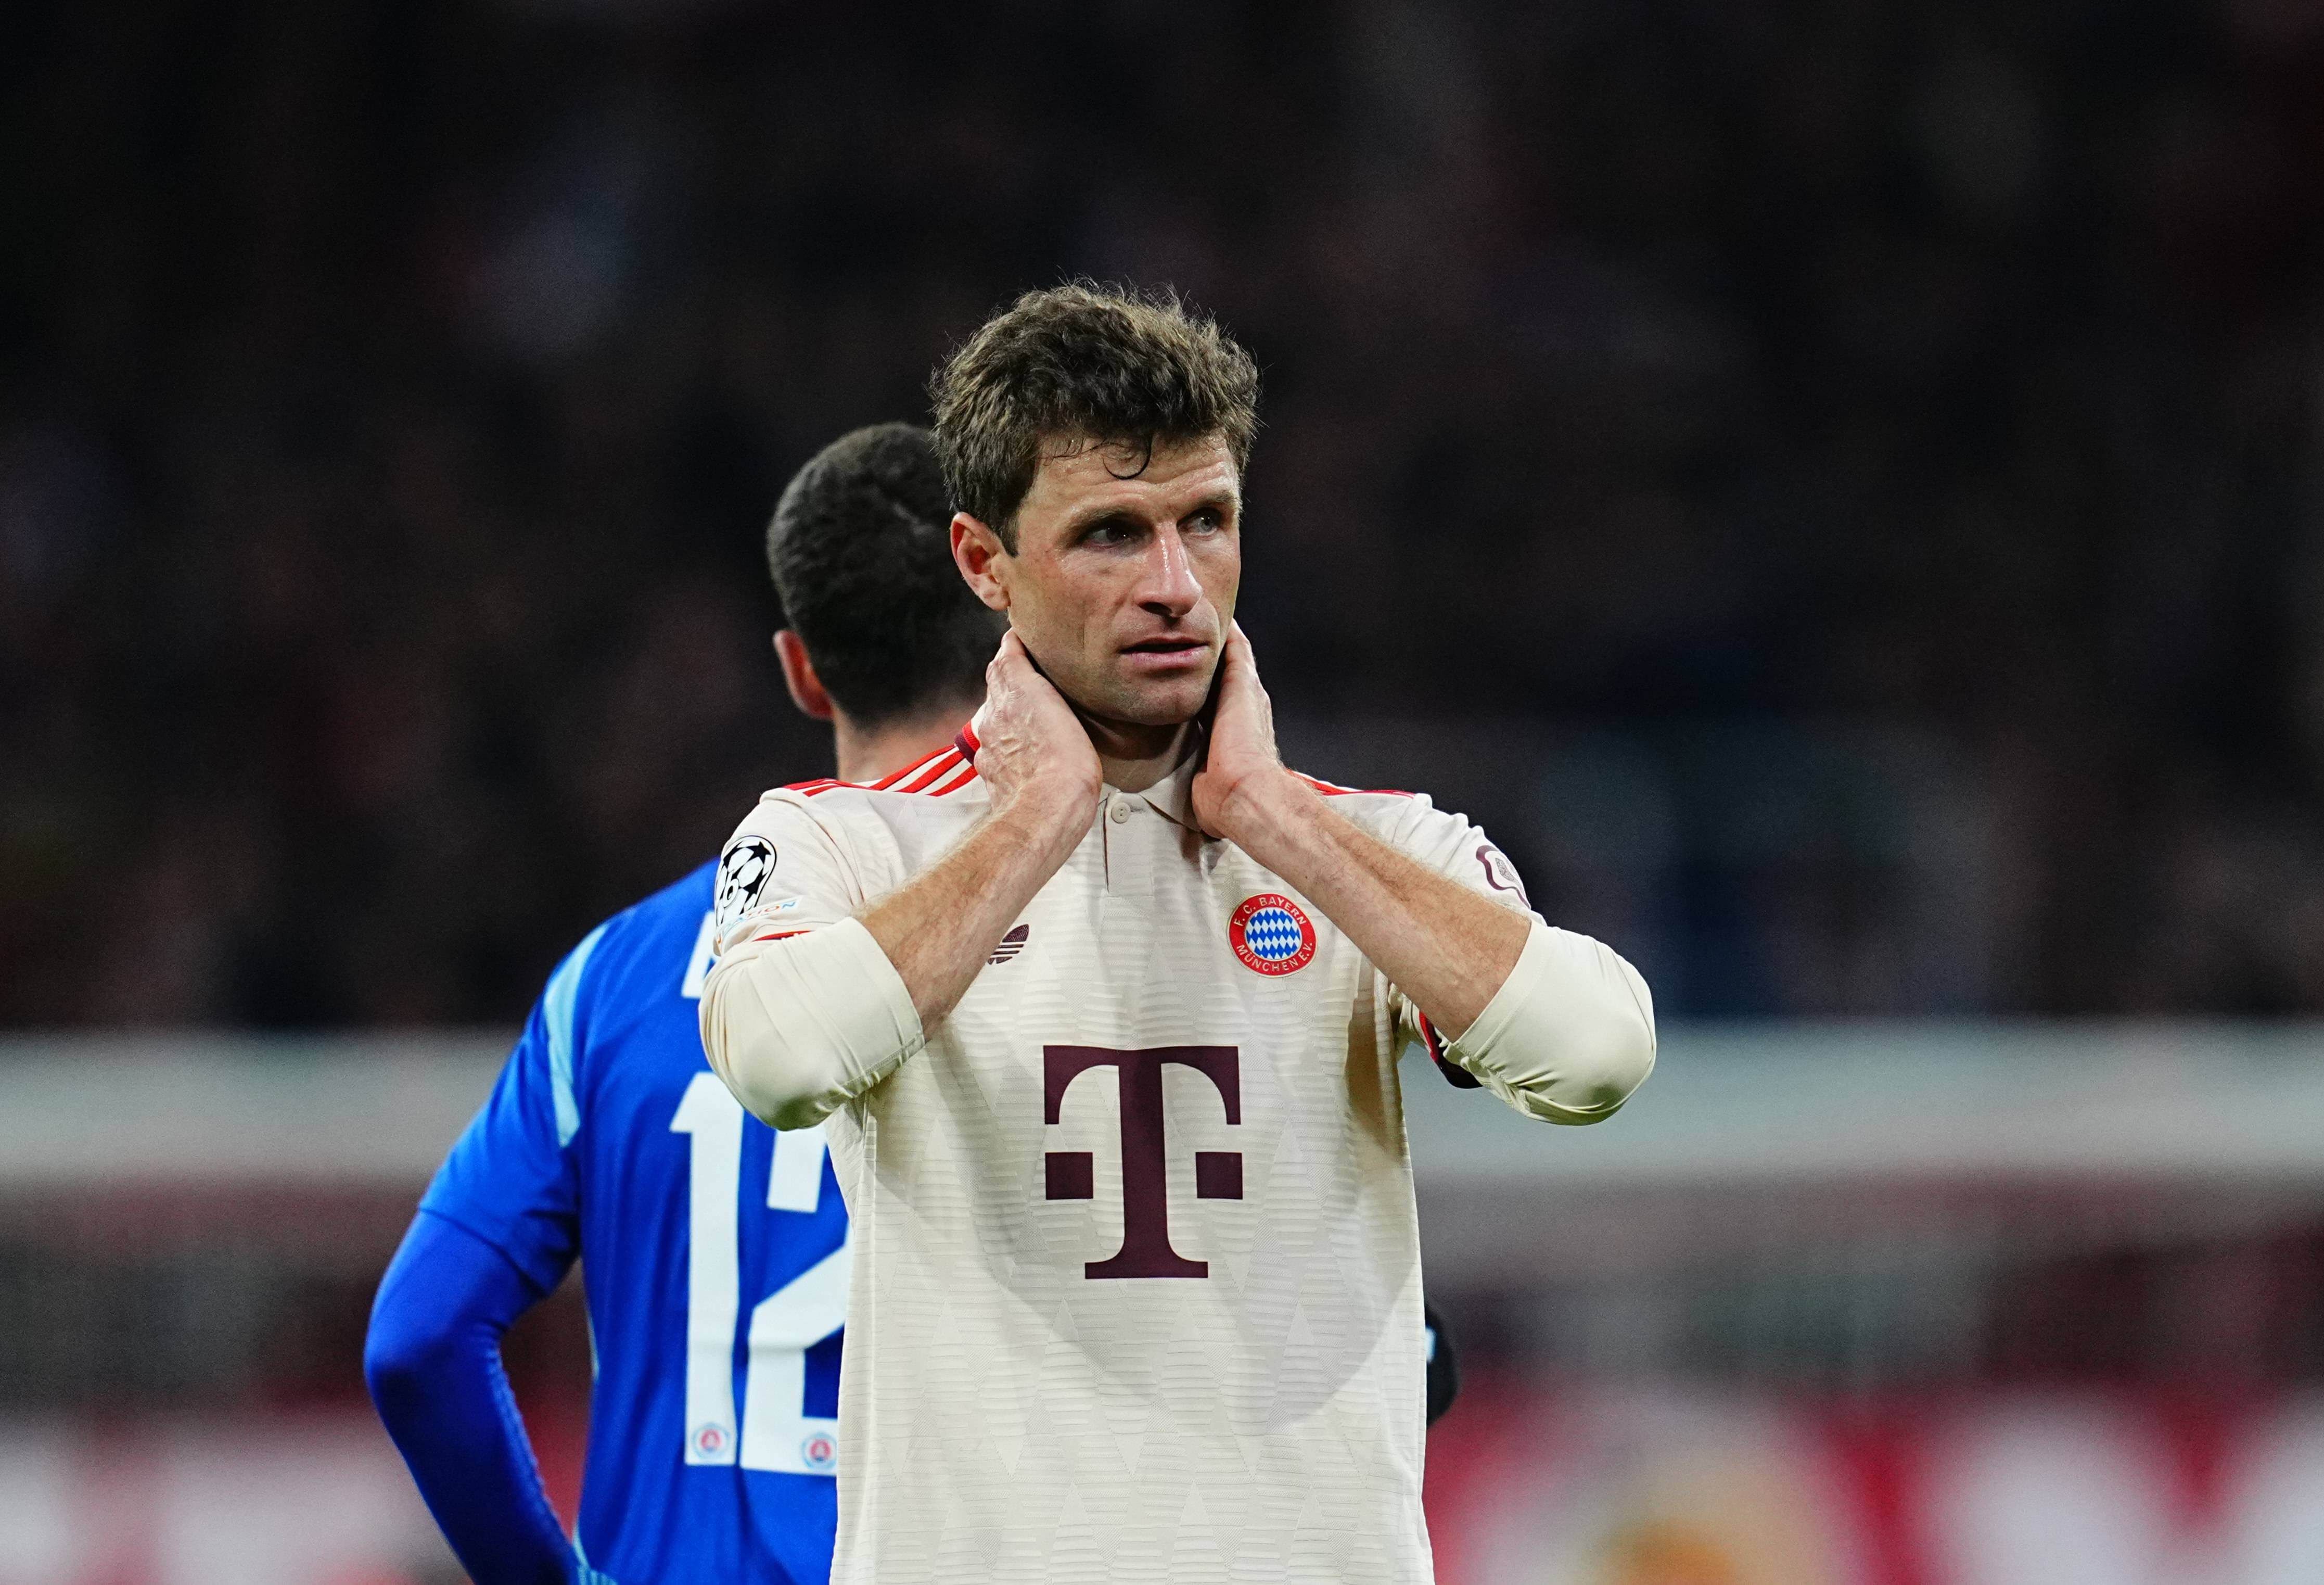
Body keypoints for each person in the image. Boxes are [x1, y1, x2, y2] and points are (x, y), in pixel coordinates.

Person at [699, 285, 1657, 1584]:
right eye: (1109, 533)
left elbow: (1597, 1054)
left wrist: (1268, 813)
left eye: (1205, 522)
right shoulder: (847, 841)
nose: (1172, 586)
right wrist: (1042, 813)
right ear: (985, 563)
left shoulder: (1377, 846)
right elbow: (778, 1054)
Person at [364, 423, 1001, 1585]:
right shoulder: (1087, 948)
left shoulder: (619, 975)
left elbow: (416, 1340)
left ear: (801, 667)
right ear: (1014, 635)